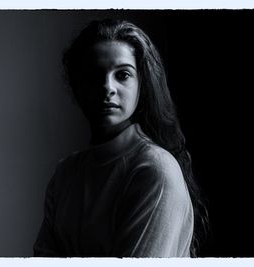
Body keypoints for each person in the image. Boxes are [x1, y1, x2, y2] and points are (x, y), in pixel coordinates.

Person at [33, 19, 207, 257]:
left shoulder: (155, 169)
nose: (107, 87)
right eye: (93, 75)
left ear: (141, 84)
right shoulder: (65, 174)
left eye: (123, 75)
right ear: (77, 85)